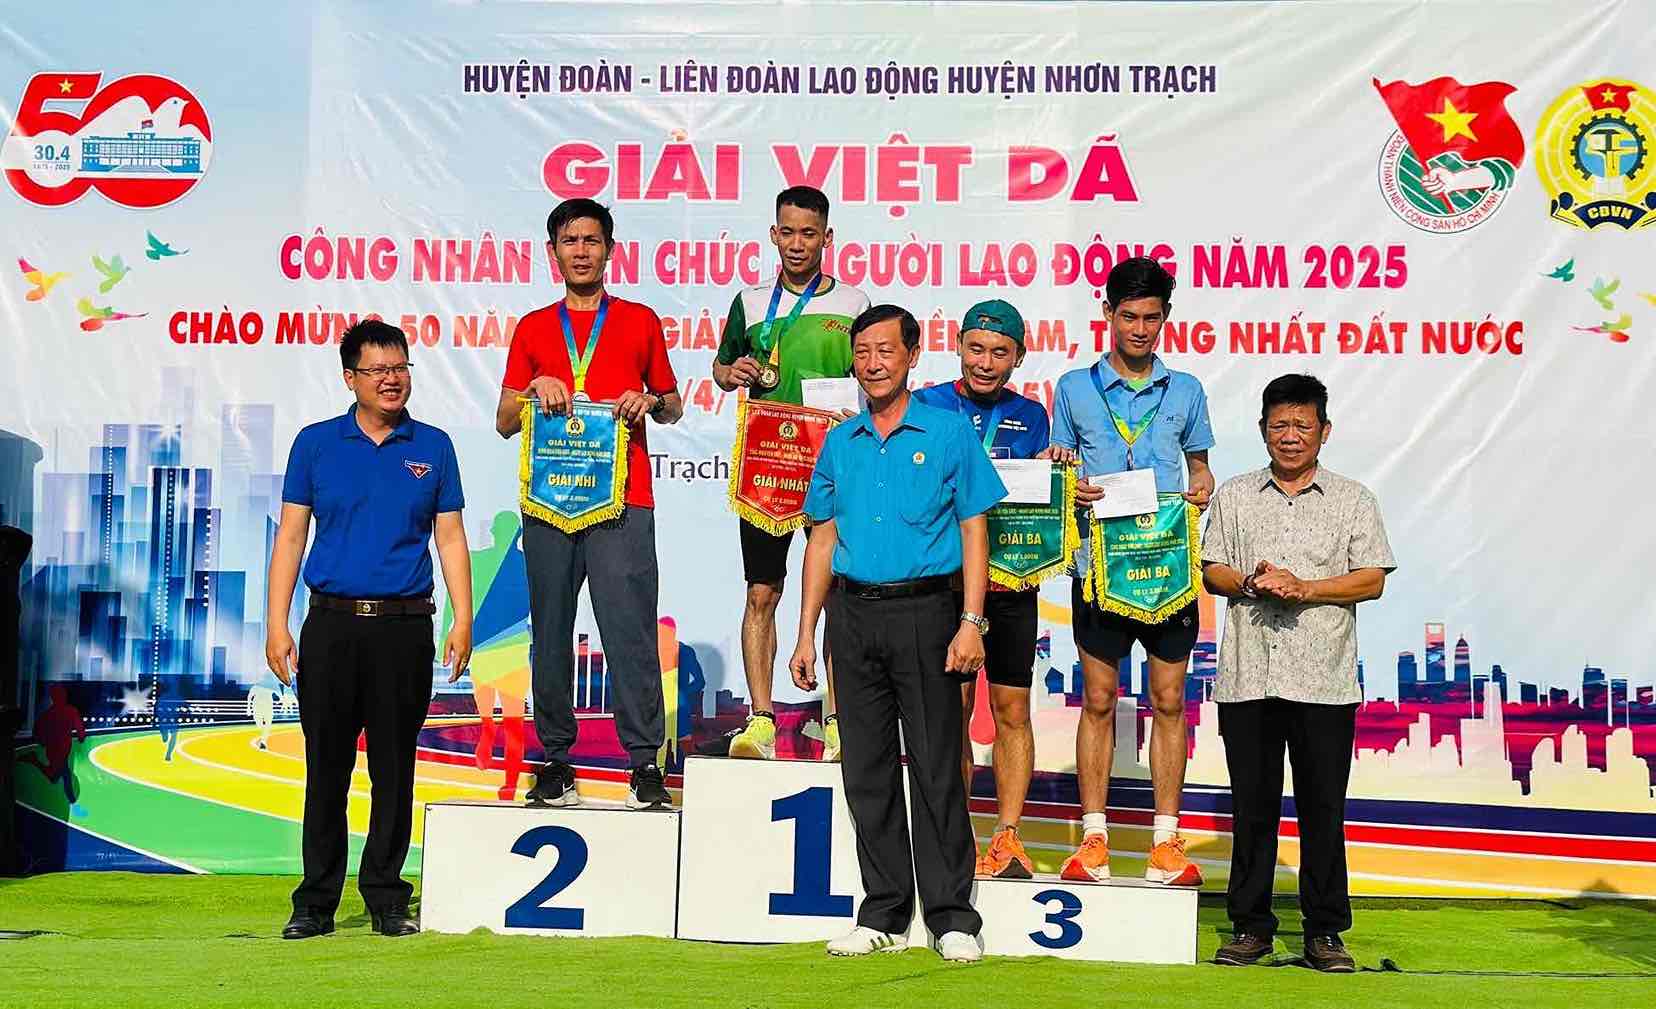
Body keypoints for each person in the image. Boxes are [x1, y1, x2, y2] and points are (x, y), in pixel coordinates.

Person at [788, 304, 1005, 963]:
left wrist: (971, 621)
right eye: (863, 352)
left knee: (938, 767)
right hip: (853, 618)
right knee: (867, 770)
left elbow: (975, 530)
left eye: (886, 350)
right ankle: (882, 909)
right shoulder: (839, 442)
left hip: (929, 615)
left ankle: (951, 916)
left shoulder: (946, 433)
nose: (874, 362)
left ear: (913, 355)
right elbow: (822, 538)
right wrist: (805, 633)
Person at [267, 319, 474, 940]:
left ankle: (386, 895)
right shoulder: (316, 444)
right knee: (325, 768)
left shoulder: (432, 446)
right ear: (350, 378)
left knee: (394, 766)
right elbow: (291, 537)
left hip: (404, 629)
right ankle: (315, 903)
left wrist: (464, 618)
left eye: (401, 367)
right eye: (378, 370)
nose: (392, 379)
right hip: (330, 626)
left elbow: (451, 536)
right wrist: (277, 623)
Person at [1201, 374, 1394, 973]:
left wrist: (1305, 587)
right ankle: (1251, 927)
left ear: (1324, 432)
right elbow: (1213, 571)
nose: (1290, 437)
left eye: (1302, 426)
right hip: (1249, 678)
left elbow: (1372, 578)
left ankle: (1326, 932)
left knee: (1322, 810)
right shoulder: (1233, 495)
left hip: (1325, 681)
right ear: (1262, 430)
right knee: (1251, 807)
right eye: (1279, 425)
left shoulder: (1354, 499)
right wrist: (1254, 582)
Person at [496, 198, 683, 810]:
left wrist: (648, 401)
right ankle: (556, 760)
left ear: (609, 249)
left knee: (629, 631)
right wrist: (531, 391)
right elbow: (502, 422)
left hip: (625, 499)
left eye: (592, 240)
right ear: (552, 253)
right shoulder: (531, 328)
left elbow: (674, 403)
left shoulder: (639, 320)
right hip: (550, 502)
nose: (581, 250)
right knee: (549, 632)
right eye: (570, 241)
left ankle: (643, 763)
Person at [1050, 256, 1215, 886]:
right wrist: (1073, 486)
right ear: (1108, 314)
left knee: (1170, 700)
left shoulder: (1188, 391)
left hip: (1165, 566)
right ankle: (1094, 841)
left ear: (1166, 318)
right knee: (1097, 699)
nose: (1140, 329)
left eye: (1151, 317)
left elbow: (1198, 467)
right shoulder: (1073, 388)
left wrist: (1199, 486)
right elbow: (1061, 471)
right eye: (1128, 316)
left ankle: (1166, 845)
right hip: (1098, 565)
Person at [713, 185, 869, 761]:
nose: (798, 243)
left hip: (831, 468)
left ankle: (833, 720)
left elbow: (874, 371)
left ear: (827, 238)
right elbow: (720, 366)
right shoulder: (750, 302)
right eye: (788, 231)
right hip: (767, 467)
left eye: (810, 233)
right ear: (773, 234)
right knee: (762, 590)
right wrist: (733, 373)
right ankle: (759, 720)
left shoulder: (854, 303)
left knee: (830, 595)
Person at [913, 299, 1050, 879]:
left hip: (1012, 581)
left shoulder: (1034, 415)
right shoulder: (928, 404)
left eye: (1000, 352)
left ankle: (1009, 836)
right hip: (948, 582)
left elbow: (1041, 491)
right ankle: (956, 835)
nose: (986, 362)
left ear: (1018, 356)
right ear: (959, 347)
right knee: (955, 711)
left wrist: (1055, 468)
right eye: (976, 348)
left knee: (1012, 709)